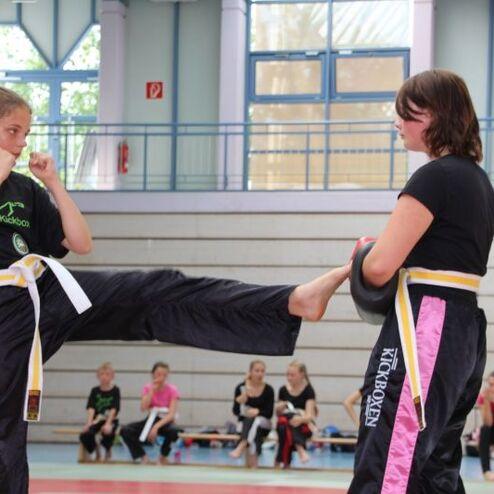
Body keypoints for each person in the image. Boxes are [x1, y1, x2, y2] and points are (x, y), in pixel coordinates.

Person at [0, 86, 351, 493]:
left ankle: (291, 301)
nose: (22, 143)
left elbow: (80, 243)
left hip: (40, 295)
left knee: (158, 291)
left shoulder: (24, 189)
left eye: (27, 133)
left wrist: (54, 183)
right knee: (7, 428)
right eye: (13, 131)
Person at [348, 69, 494, 493]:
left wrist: (362, 256)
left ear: (431, 115)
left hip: (428, 323)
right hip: (464, 325)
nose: (397, 122)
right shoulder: (479, 181)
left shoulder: (435, 176)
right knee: (435, 469)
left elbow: (379, 268)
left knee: (389, 462)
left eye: (404, 112)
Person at [120, 362, 180, 465]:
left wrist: (156, 427)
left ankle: (163, 456)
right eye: (158, 374)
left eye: (164, 375)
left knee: (174, 431)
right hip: (150, 419)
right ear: (153, 374)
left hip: (165, 421)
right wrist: (152, 390)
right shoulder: (147, 388)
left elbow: (171, 414)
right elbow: (143, 408)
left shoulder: (173, 390)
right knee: (125, 430)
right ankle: (142, 456)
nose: (161, 377)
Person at [229, 360, 274, 467]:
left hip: (263, 424)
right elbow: (236, 411)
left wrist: (258, 412)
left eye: (262, 371)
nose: (260, 374)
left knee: (256, 422)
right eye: (257, 371)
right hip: (246, 425)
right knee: (251, 425)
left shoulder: (268, 390)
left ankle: (243, 444)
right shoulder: (241, 388)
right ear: (250, 372)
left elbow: (269, 413)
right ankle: (253, 465)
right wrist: (244, 394)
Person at [274, 361, 317, 468]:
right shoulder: (283, 389)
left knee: (286, 423)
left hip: (304, 425)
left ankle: (282, 460)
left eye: (292, 375)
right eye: (287, 374)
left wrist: (300, 419)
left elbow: (309, 416)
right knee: (284, 422)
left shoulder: (308, 390)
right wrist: (280, 407)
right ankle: (299, 448)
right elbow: (278, 414)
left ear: (302, 375)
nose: (289, 378)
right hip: (286, 423)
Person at [79, 362, 120, 462]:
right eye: (102, 374)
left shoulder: (115, 390)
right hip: (96, 420)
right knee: (85, 434)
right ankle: (96, 449)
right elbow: (91, 407)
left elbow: (114, 408)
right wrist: (89, 423)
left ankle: (107, 450)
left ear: (112, 376)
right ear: (97, 376)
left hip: (110, 419)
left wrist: (108, 423)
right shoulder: (95, 390)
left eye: (107, 374)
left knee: (108, 432)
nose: (104, 377)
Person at [478, 371, 494, 481]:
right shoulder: (483, 398)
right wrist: (487, 401)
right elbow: (488, 423)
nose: (491, 388)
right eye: (490, 384)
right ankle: (486, 471)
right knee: (484, 430)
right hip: (492, 431)